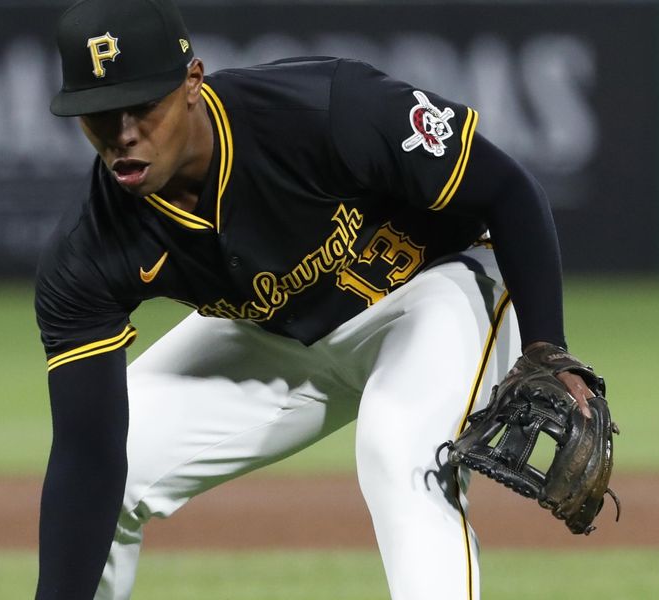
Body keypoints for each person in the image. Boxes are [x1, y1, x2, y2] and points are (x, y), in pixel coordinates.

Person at [35, 0, 597, 598]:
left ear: (192, 82)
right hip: (277, 336)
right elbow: (88, 459)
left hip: (432, 290)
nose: (123, 134)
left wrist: (545, 344)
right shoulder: (84, 250)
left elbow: (509, 190)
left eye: (143, 106)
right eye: (97, 114)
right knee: (121, 464)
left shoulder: (326, 108)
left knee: (399, 455)